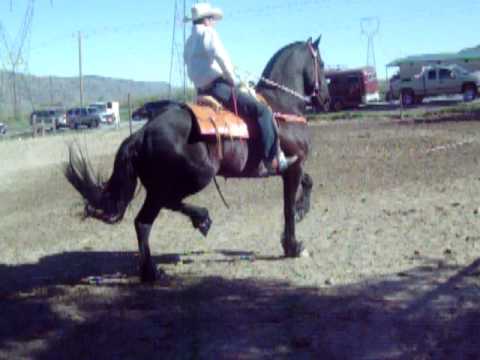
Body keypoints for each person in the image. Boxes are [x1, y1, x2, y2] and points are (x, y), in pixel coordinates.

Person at [183, 3, 298, 175]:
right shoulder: (209, 34)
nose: (214, 22)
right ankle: (271, 159)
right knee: (262, 111)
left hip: (201, 92)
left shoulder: (189, 42)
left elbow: (190, 67)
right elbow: (222, 59)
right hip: (219, 88)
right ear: (206, 20)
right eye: (212, 19)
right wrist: (234, 81)